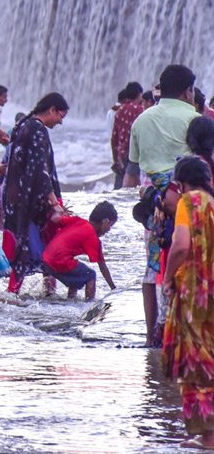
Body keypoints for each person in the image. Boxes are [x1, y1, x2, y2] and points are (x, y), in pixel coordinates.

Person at [125, 64, 200, 342]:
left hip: (152, 200)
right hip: (186, 197)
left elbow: (134, 164)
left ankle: (151, 334)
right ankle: (180, 329)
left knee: (152, 263)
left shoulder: (142, 120)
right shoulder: (194, 118)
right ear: (186, 91)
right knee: (186, 258)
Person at [163, 156, 214, 449]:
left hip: (195, 295)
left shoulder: (190, 201)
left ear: (181, 183)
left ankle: (208, 437)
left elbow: (181, 245)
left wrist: (168, 279)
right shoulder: (212, 201)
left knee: (197, 364)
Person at [3, 93, 70, 294]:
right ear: (51, 110)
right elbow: (41, 170)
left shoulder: (23, 126)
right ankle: (49, 294)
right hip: (31, 202)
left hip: (15, 199)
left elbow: (12, 163)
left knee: (21, 244)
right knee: (46, 244)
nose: (60, 122)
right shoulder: (38, 131)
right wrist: (54, 202)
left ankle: (13, 291)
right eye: (60, 116)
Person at [42, 202, 117, 301]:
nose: (108, 230)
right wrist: (113, 288)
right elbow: (103, 267)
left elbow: (54, 219)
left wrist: (60, 212)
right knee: (90, 275)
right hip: (58, 261)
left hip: (46, 258)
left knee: (77, 271)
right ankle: (88, 304)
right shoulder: (93, 238)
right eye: (110, 226)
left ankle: (70, 300)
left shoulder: (77, 221)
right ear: (105, 222)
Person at [111, 81, 145, 189]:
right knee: (129, 181)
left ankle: (131, 202)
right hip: (135, 152)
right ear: (139, 95)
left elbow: (114, 136)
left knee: (134, 180)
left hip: (122, 153)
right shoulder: (140, 110)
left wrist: (115, 157)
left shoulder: (120, 110)